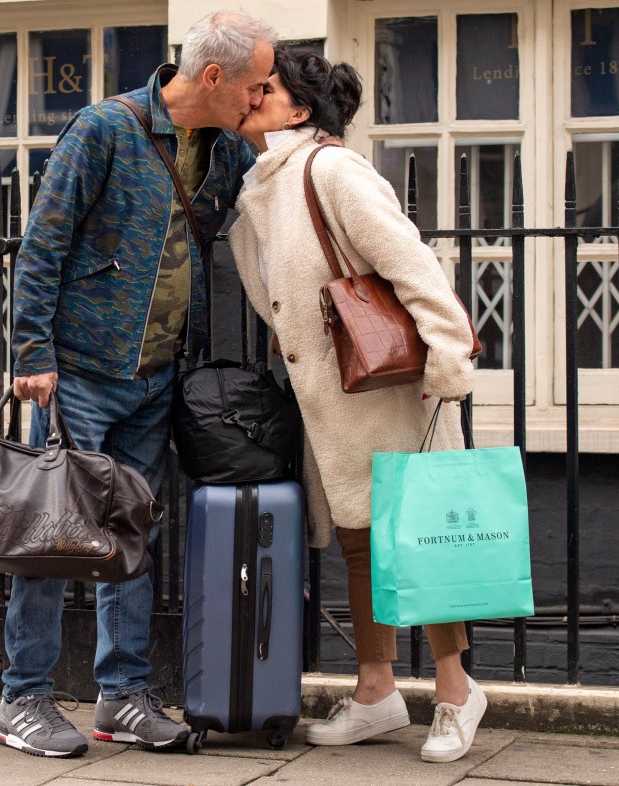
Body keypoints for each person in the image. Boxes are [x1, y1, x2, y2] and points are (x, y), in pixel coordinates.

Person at [0, 10, 277, 758]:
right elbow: (44, 242)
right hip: (79, 373)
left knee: (133, 539)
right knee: (53, 537)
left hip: (156, 377)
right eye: (253, 87)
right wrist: (32, 352)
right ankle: (23, 697)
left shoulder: (222, 154)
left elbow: (275, 191)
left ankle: (122, 694)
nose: (257, 100)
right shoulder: (105, 130)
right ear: (213, 77)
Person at [228, 47, 487, 763]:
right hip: (332, 396)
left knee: (417, 537)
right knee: (360, 537)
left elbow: (412, 264)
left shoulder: (332, 170)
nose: (252, 96)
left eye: (267, 89)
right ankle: (377, 691)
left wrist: (449, 358)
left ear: (301, 111)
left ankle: (457, 691)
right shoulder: (266, 184)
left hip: (389, 389)